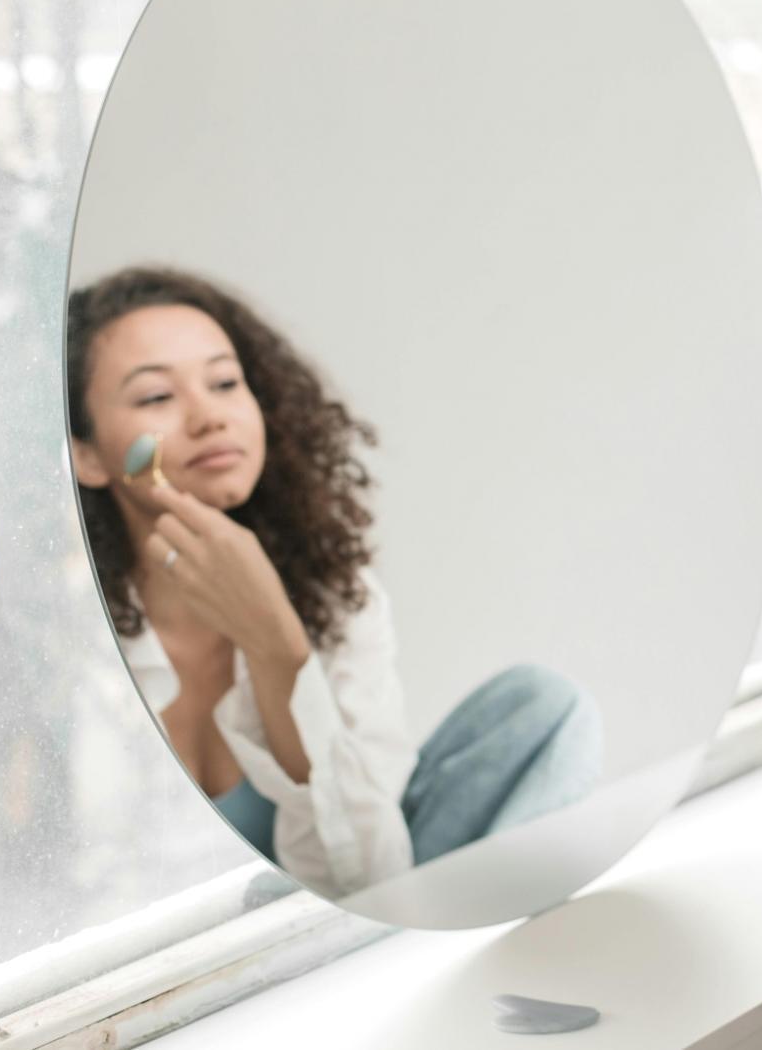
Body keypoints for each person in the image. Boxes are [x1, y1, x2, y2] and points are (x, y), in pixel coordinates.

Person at [66, 266, 603, 900]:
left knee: (544, 709)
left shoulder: (335, 599)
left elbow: (374, 879)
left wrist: (276, 644)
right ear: (88, 455)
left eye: (225, 382)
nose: (209, 415)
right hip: (195, 965)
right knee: (260, 896)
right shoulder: (76, 651)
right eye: (157, 397)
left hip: (344, 934)